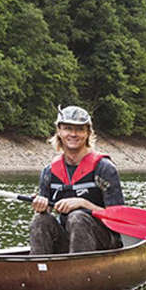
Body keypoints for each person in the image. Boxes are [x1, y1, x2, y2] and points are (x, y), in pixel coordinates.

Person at [29, 105, 125, 255]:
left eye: (80, 129)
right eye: (68, 128)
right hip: (69, 239)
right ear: (59, 131)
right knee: (40, 220)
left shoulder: (104, 168)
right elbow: (46, 210)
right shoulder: (49, 172)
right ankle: (38, 270)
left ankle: (79, 271)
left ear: (87, 133)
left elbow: (118, 218)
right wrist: (40, 205)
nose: (73, 134)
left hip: (103, 242)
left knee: (77, 217)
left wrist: (83, 204)